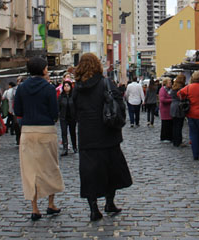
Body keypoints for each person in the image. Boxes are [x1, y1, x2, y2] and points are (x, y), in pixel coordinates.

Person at [73, 53, 132, 221]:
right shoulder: (105, 83)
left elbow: (73, 111)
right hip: (107, 134)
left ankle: (93, 209)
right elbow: (119, 104)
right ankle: (109, 203)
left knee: (89, 174)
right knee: (111, 171)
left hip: (87, 136)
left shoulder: (77, 87)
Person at [14, 57, 64, 221]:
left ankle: (34, 207)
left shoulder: (21, 87)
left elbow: (18, 111)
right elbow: (54, 112)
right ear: (43, 70)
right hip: (46, 129)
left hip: (28, 130)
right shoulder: (49, 88)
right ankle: (51, 204)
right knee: (50, 166)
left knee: (30, 170)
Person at [178, 71, 199, 161]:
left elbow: (179, 93)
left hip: (191, 113)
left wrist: (186, 98)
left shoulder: (188, 87)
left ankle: (195, 154)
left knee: (193, 134)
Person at [58, 80, 77, 156]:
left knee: (73, 132)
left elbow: (76, 106)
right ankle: (65, 148)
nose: (66, 87)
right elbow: (58, 107)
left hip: (72, 117)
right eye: (65, 86)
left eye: (68, 86)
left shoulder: (74, 96)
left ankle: (74, 147)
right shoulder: (61, 96)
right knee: (64, 133)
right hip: (63, 117)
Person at [170, 74, 186, 147]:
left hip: (173, 106)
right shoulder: (181, 88)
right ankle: (179, 141)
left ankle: (175, 141)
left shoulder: (173, 87)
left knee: (174, 125)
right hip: (179, 107)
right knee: (179, 125)